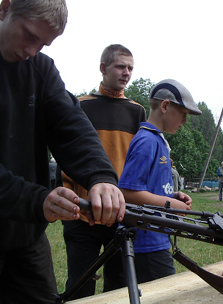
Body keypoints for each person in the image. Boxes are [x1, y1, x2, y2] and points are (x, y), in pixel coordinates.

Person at [0, 0, 125, 303]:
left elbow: (72, 126)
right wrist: (39, 200)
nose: (32, 50)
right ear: (4, 9)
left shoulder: (39, 68)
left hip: (26, 237)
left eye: (44, 44)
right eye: (29, 35)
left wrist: (100, 176)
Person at [62, 44, 146, 298]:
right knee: (80, 283)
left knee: (119, 284)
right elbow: (67, 155)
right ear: (103, 68)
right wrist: (73, 203)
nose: (126, 73)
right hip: (82, 212)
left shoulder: (137, 111)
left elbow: (139, 162)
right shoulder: (80, 106)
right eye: (120, 66)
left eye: (130, 68)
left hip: (120, 212)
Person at [118, 79, 202, 283]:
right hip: (146, 242)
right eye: (183, 114)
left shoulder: (157, 140)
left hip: (156, 235)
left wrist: (173, 196)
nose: (184, 121)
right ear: (165, 106)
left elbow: (146, 188)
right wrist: (169, 204)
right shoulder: (147, 141)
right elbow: (126, 192)